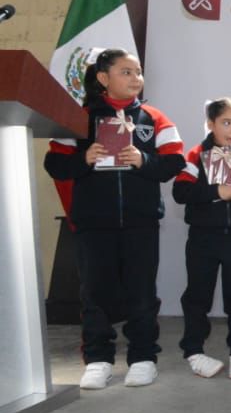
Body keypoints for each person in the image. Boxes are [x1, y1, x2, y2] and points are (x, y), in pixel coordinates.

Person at [44, 49, 184, 390]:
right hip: (93, 224)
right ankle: (98, 359)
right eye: (126, 72)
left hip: (140, 223)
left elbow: (174, 163)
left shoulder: (154, 118)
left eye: (138, 72)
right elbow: (55, 164)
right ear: (103, 78)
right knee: (95, 292)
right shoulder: (78, 118)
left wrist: (143, 160)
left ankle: (143, 357)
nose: (136, 78)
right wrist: (84, 159)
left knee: (142, 292)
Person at [172, 97, 231, 380]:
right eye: (226, 122)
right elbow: (180, 192)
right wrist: (216, 192)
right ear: (210, 124)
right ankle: (194, 351)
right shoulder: (196, 155)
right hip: (203, 237)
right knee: (197, 295)